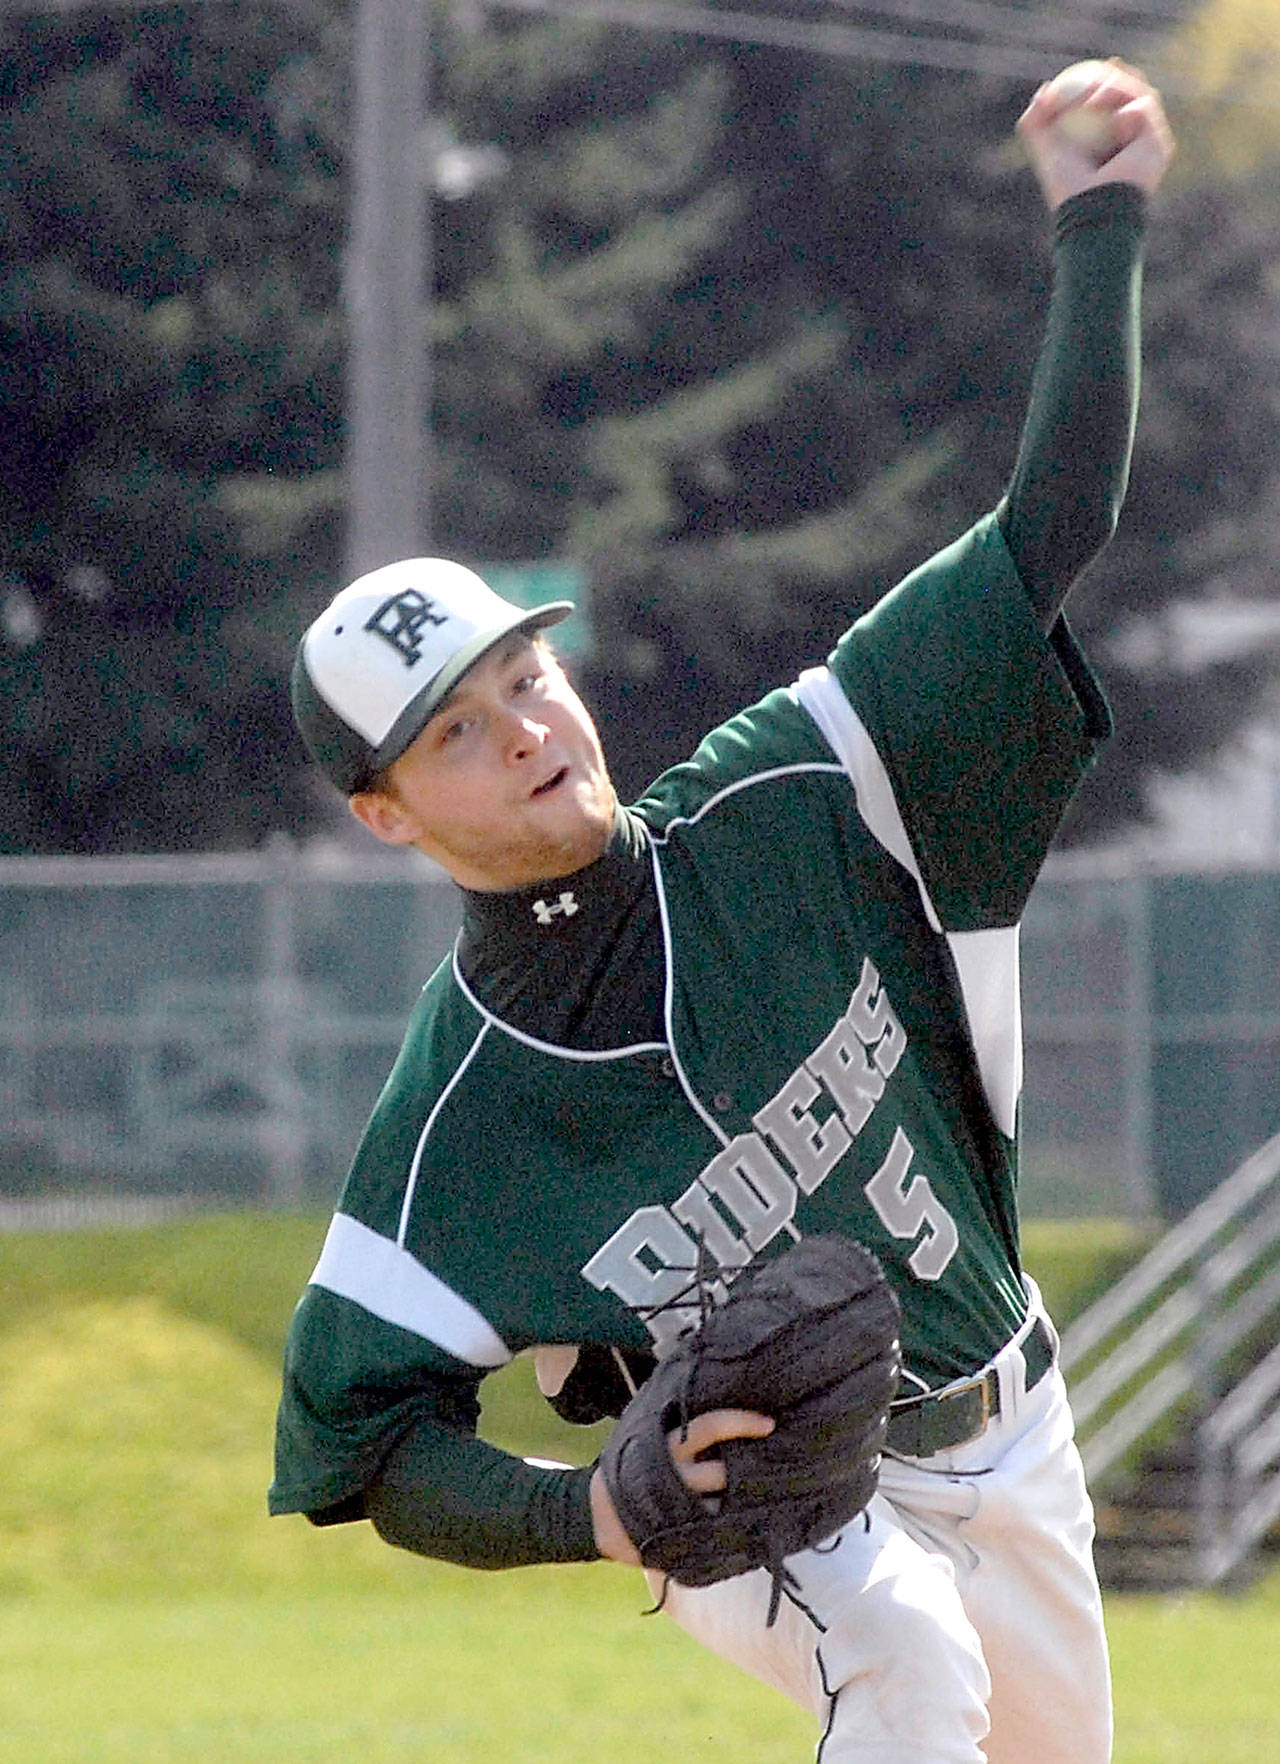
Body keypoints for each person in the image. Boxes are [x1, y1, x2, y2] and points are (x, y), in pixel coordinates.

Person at [272, 63, 1174, 1764]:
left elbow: (1047, 530)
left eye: (525, 674)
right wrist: (592, 1514)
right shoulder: (463, 1114)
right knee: (902, 1659)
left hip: (1014, 1427)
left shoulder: (795, 798)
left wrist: (1098, 228)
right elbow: (357, 1442)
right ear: (388, 816)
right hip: (770, 1502)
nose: (530, 728)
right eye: (458, 730)